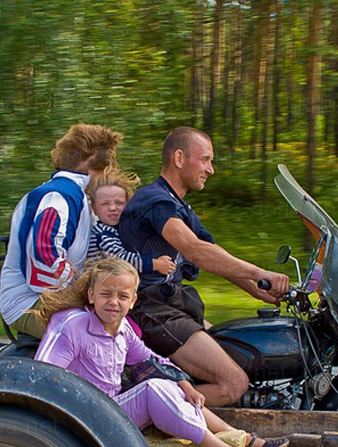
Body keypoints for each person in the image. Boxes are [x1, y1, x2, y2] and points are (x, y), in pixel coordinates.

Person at [33, 257, 288, 447]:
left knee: (170, 383)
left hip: (110, 412)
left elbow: (153, 361)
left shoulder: (123, 330)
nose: (114, 302)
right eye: (105, 294)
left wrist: (185, 384)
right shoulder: (71, 324)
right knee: (153, 388)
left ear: (133, 300)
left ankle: (238, 438)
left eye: (122, 296)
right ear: (91, 295)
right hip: (78, 419)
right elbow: (41, 377)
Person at [118, 127, 290, 406]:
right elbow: (194, 249)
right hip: (151, 309)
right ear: (179, 158)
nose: (211, 169)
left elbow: (214, 254)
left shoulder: (180, 207)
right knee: (232, 383)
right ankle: (136, 413)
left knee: (241, 352)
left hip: (173, 305)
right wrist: (259, 273)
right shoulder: (154, 201)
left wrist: (259, 290)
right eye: (206, 160)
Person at [0, 123, 123, 339]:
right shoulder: (58, 196)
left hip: (44, 297)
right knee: (101, 334)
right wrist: (86, 286)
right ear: (95, 162)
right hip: (29, 304)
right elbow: (44, 256)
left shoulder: (77, 197)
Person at [85, 166, 177, 277]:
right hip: (101, 285)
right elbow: (121, 259)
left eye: (119, 203)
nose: (113, 208)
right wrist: (155, 264)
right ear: (94, 208)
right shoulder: (102, 233)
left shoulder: (120, 229)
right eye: (105, 204)